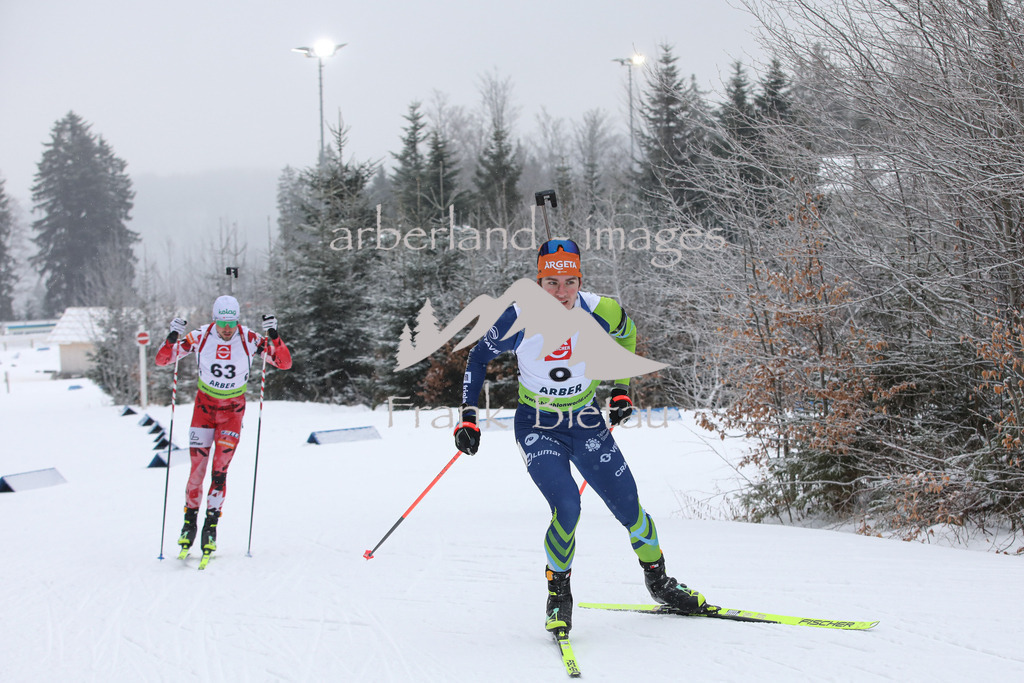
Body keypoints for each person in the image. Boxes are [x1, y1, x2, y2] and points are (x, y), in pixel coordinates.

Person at [453, 239, 712, 635]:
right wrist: (468, 418)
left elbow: (627, 333)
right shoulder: (514, 319)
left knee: (630, 507)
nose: (561, 293)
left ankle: (660, 583)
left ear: (579, 280)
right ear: (538, 282)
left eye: (570, 282)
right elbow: (477, 357)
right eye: (551, 283)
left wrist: (621, 388)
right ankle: (559, 595)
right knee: (567, 507)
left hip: (586, 421)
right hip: (538, 426)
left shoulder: (599, 309)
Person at [155, 295, 292, 555]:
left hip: (232, 412)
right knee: (197, 471)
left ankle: (211, 527)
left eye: (231, 323)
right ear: (214, 320)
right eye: (222, 323)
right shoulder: (200, 336)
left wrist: (274, 336)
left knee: (219, 472)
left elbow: (284, 363)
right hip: (204, 410)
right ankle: (188, 524)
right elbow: (163, 360)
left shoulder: (249, 338)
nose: (227, 329)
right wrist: (172, 337)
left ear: (237, 320)